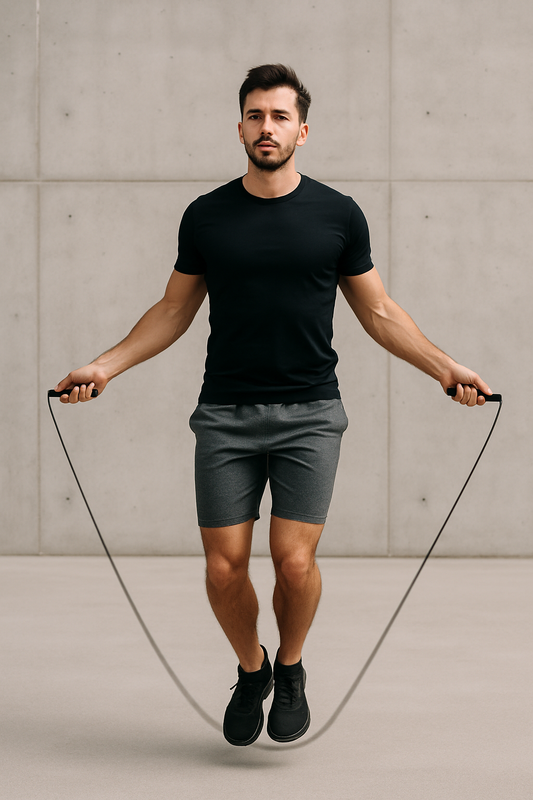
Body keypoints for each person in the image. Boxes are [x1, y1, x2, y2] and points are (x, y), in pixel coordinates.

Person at [54, 64, 493, 747]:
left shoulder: (337, 214)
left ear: (302, 131)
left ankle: (289, 667)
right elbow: (173, 308)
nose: (267, 127)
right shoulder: (206, 215)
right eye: (256, 116)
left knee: (293, 561)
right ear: (239, 128)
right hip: (224, 414)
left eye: (280, 117)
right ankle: (251, 668)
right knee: (223, 568)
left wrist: (444, 368)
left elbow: (377, 311)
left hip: (311, 414)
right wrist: (104, 366)